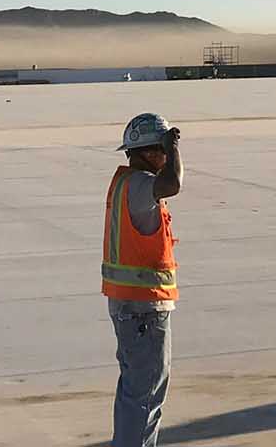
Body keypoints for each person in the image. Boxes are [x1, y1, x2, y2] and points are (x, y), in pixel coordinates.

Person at [102, 112, 182, 447]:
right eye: (162, 150)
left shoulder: (126, 183)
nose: (165, 157)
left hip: (129, 306)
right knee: (146, 395)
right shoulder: (140, 186)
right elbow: (174, 183)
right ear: (150, 152)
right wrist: (175, 147)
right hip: (143, 311)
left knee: (134, 392)